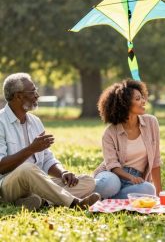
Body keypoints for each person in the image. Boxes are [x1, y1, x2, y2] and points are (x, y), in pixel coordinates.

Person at [0, 73, 100, 210]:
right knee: (27, 169)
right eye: (33, 91)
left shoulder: (35, 122)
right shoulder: (1, 122)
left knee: (87, 181)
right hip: (7, 186)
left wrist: (62, 173)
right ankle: (75, 203)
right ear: (18, 96)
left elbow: (47, 158)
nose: (37, 95)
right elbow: (1, 166)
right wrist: (31, 149)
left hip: (38, 184)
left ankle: (39, 201)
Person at [93, 79, 162, 199]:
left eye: (142, 97)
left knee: (149, 190)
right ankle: (104, 193)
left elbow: (155, 161)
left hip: (135, 180)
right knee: (110, 184)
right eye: (138, 99)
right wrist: (130, 177)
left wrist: (160, 194)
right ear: (124, 104)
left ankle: (106, 198)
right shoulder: (110, 133)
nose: (143, 101)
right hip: (112, 175)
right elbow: (113, 165)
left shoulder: (151, 123)